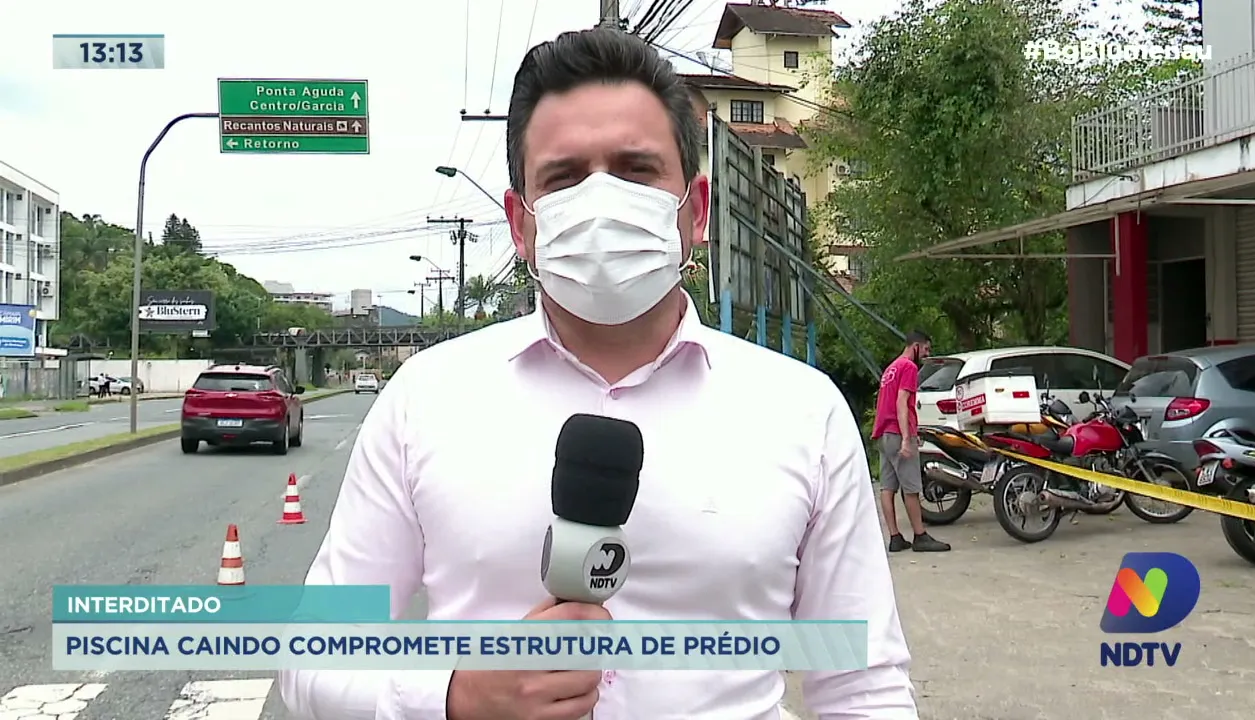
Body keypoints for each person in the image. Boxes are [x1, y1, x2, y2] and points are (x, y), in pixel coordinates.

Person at [279, 27, 917, 720]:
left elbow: (864, 686)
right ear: (521, 224)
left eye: (636, 170)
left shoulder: (802, 412)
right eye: (565, 177)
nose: (602, 200)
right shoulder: (424, 402)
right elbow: (312, 661)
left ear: (695, 212)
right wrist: (452, 697)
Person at [871, 331, 951, 553]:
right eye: (925, 349)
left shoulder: (891, 368)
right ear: (915, 346)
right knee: (911, 487)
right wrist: (907, 438)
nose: (926, 354)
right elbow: (902, 402)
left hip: (883, 433)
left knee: (887, 487)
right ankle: (920, 535)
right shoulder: (908, 368)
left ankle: (895, 537)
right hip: (898, 433)